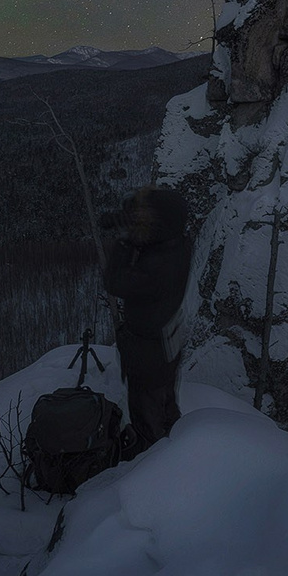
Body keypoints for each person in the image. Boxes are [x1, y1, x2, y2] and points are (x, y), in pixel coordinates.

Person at [101, 184, 194, 452]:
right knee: (165, 400)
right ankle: (176, 442)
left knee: (146, 409)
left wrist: (125, 240)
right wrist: (130, 220)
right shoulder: (176, 243)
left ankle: (151, 461)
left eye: (145, 218)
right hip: (166, 340)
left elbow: (114, 281)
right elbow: (158, 211)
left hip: (147, 349)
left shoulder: (158, 266)